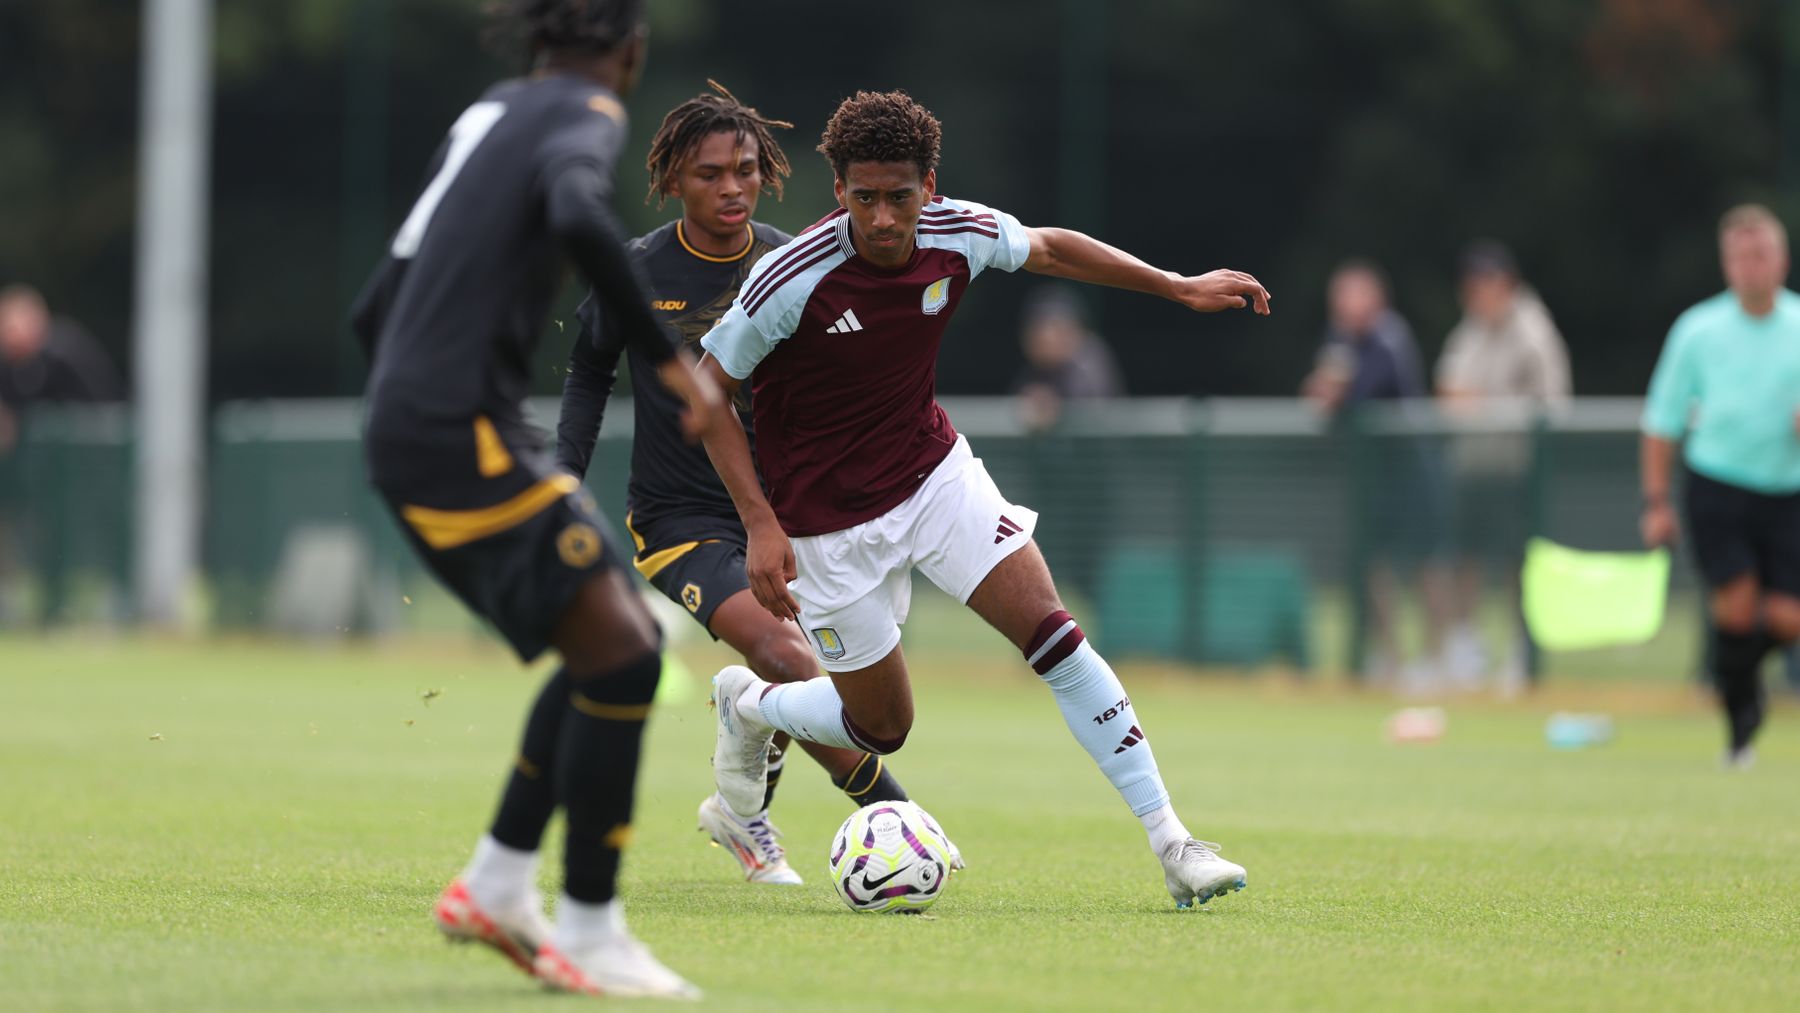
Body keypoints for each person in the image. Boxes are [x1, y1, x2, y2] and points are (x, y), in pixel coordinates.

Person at [692, 90, 1270, 908]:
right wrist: (759, 522)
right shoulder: (793, 277)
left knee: (1057, 637)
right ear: (839, 193)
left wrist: (1173, 285)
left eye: (900, 195)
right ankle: (751, 703)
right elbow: (704, 392)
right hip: (825, 524)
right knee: (881, 728)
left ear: (931, 185)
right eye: (865, 198)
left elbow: (1052, 250)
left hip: (934, 477)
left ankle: (1173, 840)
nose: (884, 218)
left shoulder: (958, 230)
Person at [349, 0, 722, 998]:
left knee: (612, 646)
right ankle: (590, 931)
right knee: (630, 654)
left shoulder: (486, 115)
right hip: (457, 430)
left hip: (427, 423)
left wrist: (415, 399)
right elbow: (574, 208)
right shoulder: (588, 116)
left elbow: (375, 303)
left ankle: (499, 883)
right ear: (630, 54)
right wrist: (668, 358)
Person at [555, 81, 925, 887]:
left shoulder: (797, 262)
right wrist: (563, 483)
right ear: (672, 182)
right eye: (709, 173)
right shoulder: (636, 272)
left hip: (796, 517)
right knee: (789, 655)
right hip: (682, 519)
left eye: (746, 171)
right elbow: (587, 373)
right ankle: (894, 815)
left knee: (796, 675)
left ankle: (738, 806)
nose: (731, 188)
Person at [1641, 203, 1800, 768]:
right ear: (1726, 264)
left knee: (1786, 617)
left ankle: (1736, 675)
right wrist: (1657, 502)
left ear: (1780, 259)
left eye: (1760, 255)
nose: (1750, 267)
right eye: (1739, 256)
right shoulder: (1698, 330)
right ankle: (1739, 730)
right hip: (1719, 485)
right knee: (1735, 611)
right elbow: (1661, 421)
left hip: (1788, 492)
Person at [1301, 260, 1451, 689]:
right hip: (1373, 475)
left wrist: (1333, 392)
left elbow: (1355, 393)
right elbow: (1320, 390)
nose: (1344, 306)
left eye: (1352, 295)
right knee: (1374, 565)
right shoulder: (1340, 341)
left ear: (1375, 299)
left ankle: (1436, 660)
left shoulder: (1390, 337)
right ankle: (1392, 658)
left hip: (1412, 469)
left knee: (1426, 563)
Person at [1434, 240, 1571, 689]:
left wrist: (1486, 405)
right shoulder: (1471, 329)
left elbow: (1551, 404)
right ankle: (1466, 649)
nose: (1477, 293)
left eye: (1485, 283)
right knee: (1464, 558)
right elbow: (1449, 388)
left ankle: (1521, 649)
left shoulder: (1534, 330)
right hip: (1474, 467)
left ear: (1505, 284)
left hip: (1519, 471)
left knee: (1519, 563)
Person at [0, 284, 124, 451]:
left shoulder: (65, 352)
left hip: (91, 452)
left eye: (10, 328)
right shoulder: (12, 367)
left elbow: (102, 406)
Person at [1012, 285, 1123, 431]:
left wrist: (1053, 403)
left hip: (1096, 447)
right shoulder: (1038, 367)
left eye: (1050, 328)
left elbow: (1093, 404)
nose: (1041, 338)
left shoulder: (1090, 355)